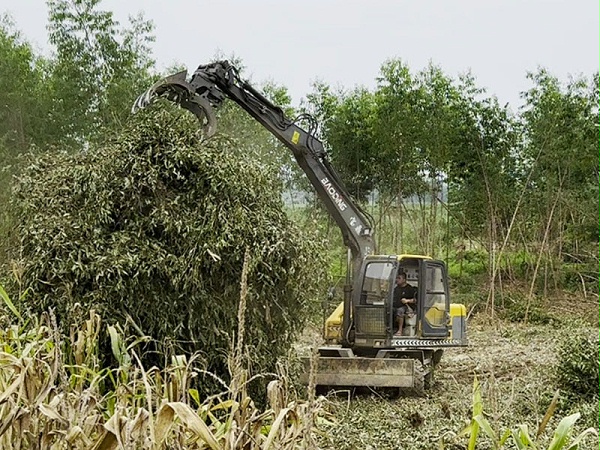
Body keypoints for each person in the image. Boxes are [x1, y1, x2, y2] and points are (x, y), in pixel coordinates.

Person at [393, 271, 417, 336]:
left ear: (404, 280)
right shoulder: (396, 289)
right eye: (396, 278)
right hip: (396, 306)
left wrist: (407, 300)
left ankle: (400, 331)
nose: (397, 280)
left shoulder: (410, 289)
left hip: (406, 307)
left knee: (400, 310)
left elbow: (416, 300)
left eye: (399, 278)